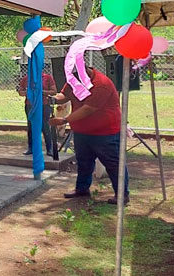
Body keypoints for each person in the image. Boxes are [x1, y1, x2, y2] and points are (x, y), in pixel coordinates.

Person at [49, 66, 129, 204]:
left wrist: (64, 120)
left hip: (105, 132)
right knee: (84, 162)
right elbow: (65, 95)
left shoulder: (101, 84)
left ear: (85, 70)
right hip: (82, 131)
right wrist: (52, 98)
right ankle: (82, 189)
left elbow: (88, 109)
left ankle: (122, 194)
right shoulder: (74, 78)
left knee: (113, 164)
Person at [18, 68, 58, 155]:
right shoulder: (26, 78)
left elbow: (54, 91)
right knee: (31, 126)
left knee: (45, 126)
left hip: (43, 104)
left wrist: (41, 92)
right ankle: (31, 148)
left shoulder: (47, 78)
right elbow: (20, 92)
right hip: (30, 105)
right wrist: (28, 92)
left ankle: (49, 149)